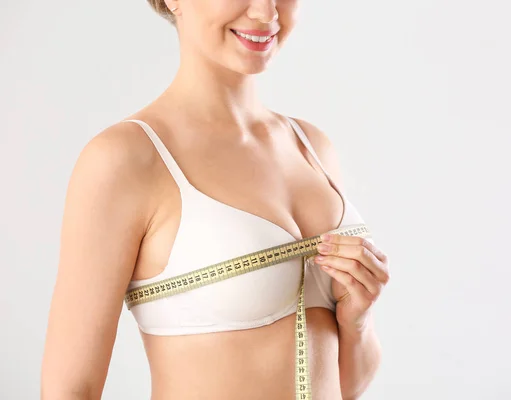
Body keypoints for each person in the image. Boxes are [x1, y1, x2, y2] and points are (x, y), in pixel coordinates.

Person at [40, 1, 390, 399]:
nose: (265, 13)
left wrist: (357, 322)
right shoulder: (125, 159)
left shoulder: (312, 146)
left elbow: (347, 386)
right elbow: (70, 389)